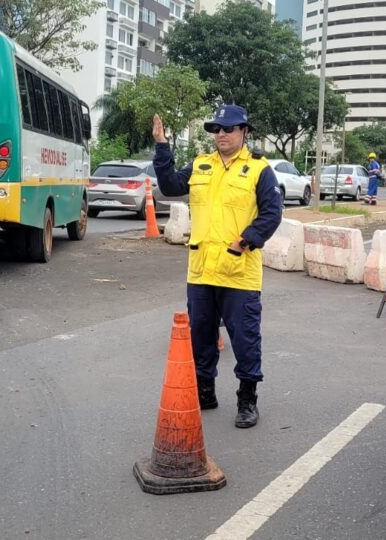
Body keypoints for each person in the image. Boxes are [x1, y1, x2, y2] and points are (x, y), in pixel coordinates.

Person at [152, 105, 282, 428]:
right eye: (216, 129)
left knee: (245, 339)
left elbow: (272, 213)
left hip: (239, 272)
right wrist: (162, 146)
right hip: (201, 270)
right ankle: (205, 391)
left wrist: (246, 240)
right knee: (201, 336)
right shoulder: (201, 165)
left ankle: (247, 399)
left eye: (228, 128)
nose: (221, 134)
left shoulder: (258, 170)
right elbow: (168, 186)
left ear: (244, 132)